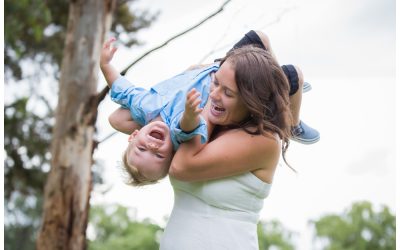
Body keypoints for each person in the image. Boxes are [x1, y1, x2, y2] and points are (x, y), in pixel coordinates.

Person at [160, 45, 292, 249]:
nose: (213, 94)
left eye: (228, 93)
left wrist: (203, 113)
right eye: (215, 82)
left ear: (252, 102)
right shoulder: (213, 127)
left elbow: (181, 168)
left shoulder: (263, 140)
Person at [110, 30, 319, 145]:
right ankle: (292, 123)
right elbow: (119, 120)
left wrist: (198, 71)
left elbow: (117, 118)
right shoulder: (183, 126)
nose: (152, 141)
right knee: (295, 75)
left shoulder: (148, 107)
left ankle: (273, 76)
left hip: (211, 73)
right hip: (229, 81)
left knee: (260, 37)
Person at [100, 37, 219, 185]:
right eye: (159, 156)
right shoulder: (177, 132)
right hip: (223, 78)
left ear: (134, 135)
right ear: (172, 152)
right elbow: (187, 127)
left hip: (209, 67)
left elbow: (123, 89)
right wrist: (189, 114)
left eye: (142, 148)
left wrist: (105, 65)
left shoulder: (143, 107)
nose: (152, 146)